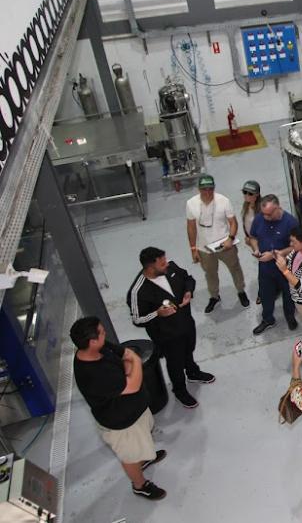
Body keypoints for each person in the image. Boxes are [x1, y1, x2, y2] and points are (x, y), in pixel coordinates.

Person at [71, 316, 167, 501]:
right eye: (101, 332)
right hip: (122, 424)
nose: (105, 333)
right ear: (92, 341)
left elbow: (124, 354)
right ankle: (140, 485)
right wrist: (135, 361)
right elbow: (133, 383)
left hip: (135, 410)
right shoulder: (93, 374)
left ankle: (144, 458)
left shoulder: (99, 347)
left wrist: (129, 365)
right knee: (130, 456)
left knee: (142, 439)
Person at [127, 247, 214, 409]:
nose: (166, 264)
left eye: (165, 260)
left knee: (188, 350)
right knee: (175, 363)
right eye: (162, 264)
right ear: (150, 268)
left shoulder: (171, 267)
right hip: (167, 336)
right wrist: (157, 314)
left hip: (186, 323)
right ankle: (180, 390)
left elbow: (188, 279)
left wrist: (188, 291)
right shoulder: (138, 291)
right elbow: (137, 319)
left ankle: (193, 372)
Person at [185, 174, 248, 313]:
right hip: (204, 248)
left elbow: (233, 222)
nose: (207, 192)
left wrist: (230, 238)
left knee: (235, 268)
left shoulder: (223, 201)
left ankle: (241, 291)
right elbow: (191, 227)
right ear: (199, 189)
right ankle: (214, 296)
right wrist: (193, 249)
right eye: (204, 189)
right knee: (210, 273)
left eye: (210, 189)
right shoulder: (191, 204)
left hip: (224, 244)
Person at [248, 194, 299, 334]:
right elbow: (253, 237)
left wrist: (275, 254)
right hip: (265, 268)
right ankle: (268, 319)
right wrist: (256, 249)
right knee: (265, 295)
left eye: (269, 214)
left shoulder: (291, 223)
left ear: (278, 208)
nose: (266, 217)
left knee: (288, 294)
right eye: (264, 214)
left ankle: (290, 316)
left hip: (285, 267)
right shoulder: (259, 218)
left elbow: (296, 247)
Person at [240, 179, 263, 305]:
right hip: (253, 242)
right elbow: (246, 224)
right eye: (245, 192)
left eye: (250, 193)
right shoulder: (246, 206)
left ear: (257, 195)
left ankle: (263, 292)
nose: (246, 195)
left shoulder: (262, 209)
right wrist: (248, 238)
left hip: (262, 243)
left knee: (264, 268)